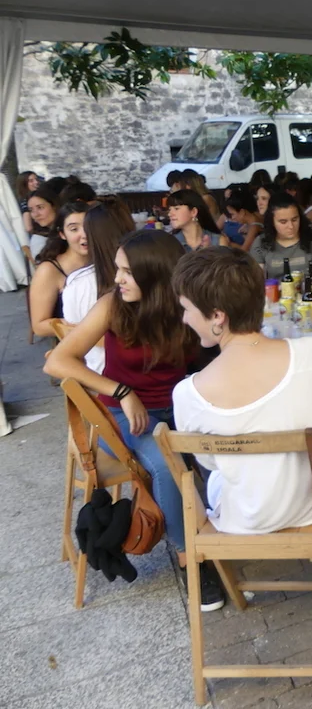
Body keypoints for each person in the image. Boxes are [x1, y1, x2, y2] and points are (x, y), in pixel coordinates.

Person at [44, 230, 225, 610]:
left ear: (155, 274)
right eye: (118, 269)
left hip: (182, 408)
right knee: (166, 468)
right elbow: (57, 361)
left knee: (229, 446)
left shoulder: (186, 305)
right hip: (124, 415)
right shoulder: (113, 305)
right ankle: (189, 559)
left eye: (127, 272)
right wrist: (123, 392)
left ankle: (231, 530)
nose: (118, 279)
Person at [172, 246, 312, 535]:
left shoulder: (189, 393)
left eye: (186, 309)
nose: (184, 319)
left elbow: (210, 461)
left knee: (219, 479)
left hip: (246, 520)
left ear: (218, 316)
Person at [62, 200, 136, 373]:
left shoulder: (77, 283)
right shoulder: (139, 277)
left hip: (96, 372)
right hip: (117, 375)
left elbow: (71, 332)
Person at [29, 201, 91, 339]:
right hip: (75, 341)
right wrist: (85, 327)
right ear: (62, 234)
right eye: (74, 229)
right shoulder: (49, 270)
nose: (84, 234)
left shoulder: (105, 259)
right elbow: (39, 326)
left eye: (89, 227)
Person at [250, 194, 312, 280]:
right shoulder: (261, 243)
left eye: (294, 220)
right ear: (272, 222)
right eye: (283, 222)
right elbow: (257, 282)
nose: (291, 226)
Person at [222, 188, 263, 252]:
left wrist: (228, 243)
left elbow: (244, 251)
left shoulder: (254, 227)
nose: (232, 218)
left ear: (242, 212)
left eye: (232, 214)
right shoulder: (255, 216)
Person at [26, 184, 60, 258]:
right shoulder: (38, 241)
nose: (36, 214)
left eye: (40, 207)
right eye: (31, 210)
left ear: (54, 205)